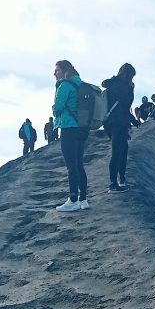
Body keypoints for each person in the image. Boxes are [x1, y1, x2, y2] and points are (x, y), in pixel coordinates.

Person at [52, 60, 89, 211]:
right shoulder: (80, 84)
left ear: (64, 70)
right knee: (79, 164)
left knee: (71, 165)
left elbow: (58, 107)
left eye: (57, 70)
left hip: (68, 127)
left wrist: (54, 109)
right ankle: (83, 200)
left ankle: (73, 199)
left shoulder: (65, 85)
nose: (54, 73)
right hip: (81, 128)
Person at [102, 63, 139, 192]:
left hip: (109, 122)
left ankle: (120, 180)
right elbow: (125, 104)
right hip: (119, 122)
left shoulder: (112, 83)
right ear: (128, 75)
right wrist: (131, 89)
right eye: (131, 76)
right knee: (118, 152)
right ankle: (114, 183)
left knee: (121, 150)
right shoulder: (123, 86)